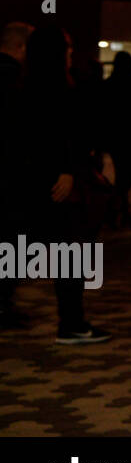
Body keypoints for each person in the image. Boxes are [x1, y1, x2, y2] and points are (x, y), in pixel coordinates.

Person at [5, 26, 110, 343]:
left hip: (30, 185)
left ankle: (71, 321)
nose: (70, 54)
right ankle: (72, 324)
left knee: (29, 249)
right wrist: (67, 169)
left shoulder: (23, 88)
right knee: (68, 253)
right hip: (56, 184)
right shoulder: (60, 90)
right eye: (66, 48)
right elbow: (65, 136)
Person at [0, 21, 34, 328]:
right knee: (11, 240)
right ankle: (4, 304)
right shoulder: (17, 81)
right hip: (10, 177)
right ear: (21, 47)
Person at [100, 51, 131, 229]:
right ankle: (117, 208)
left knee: (122, 174)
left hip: (115, 138)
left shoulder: (109, 86)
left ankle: (117, 209)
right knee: (128, 176)